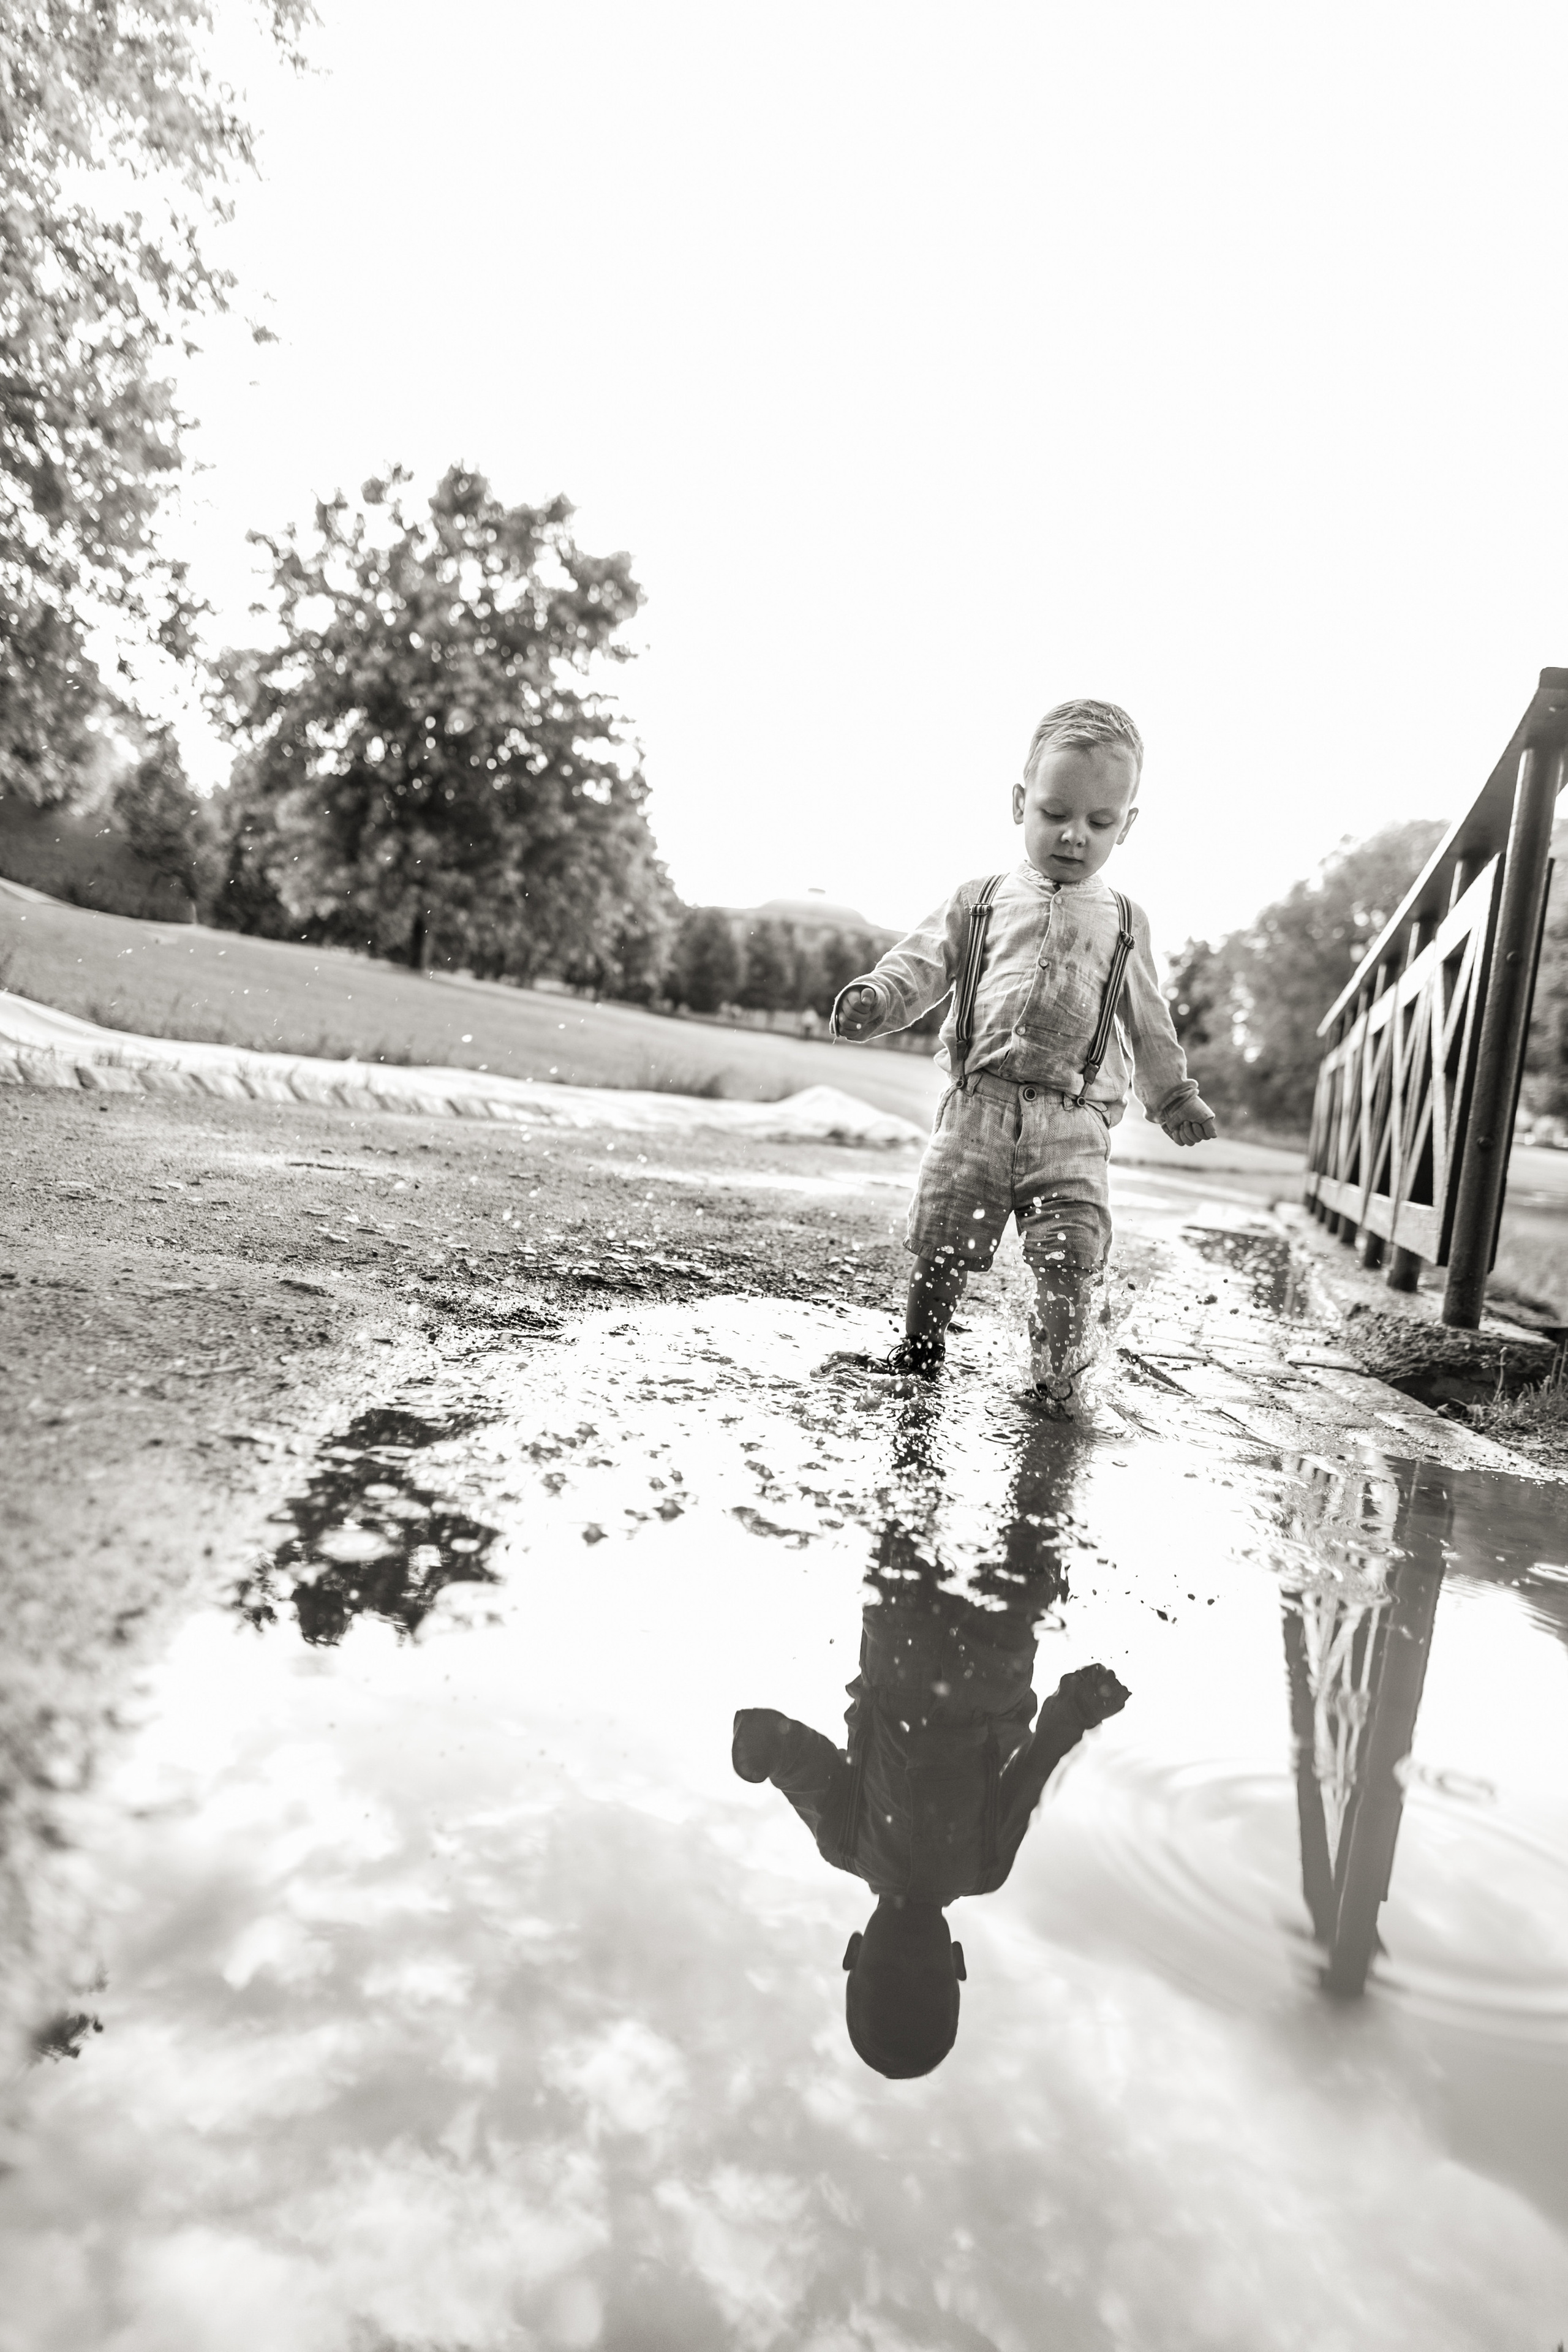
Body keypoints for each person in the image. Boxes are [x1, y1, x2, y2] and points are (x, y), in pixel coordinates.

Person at [830, 699, 1216, 1409]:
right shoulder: (977, 900)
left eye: (1099, 823)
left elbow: (1148, 1021)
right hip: (976, 1107)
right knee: (942, 1240)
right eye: (1055, 814)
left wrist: (1173, 1095)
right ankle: (919, 1354)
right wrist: (878, 999)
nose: (1074, 836)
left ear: (1126, 825)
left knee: (1069, 1257)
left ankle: (1056, 1385)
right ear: (1019, 804)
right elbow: (920, 965)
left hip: (1072, 1124)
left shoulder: (1126, 922)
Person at [732, 1556, 1129, 2078]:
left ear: (855, 1952)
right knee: (1026, 1558)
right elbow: (1033, 1771)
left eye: (889, 1973)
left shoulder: (845, 1844)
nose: (911, 1961)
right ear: (957, 1964)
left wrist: (760, 1749)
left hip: (897, 1664)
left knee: (903, 1543)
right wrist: (1077, 1709)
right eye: (927, 1978)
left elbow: (800, 1763)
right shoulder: (984, 1871)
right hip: (989, 1688)